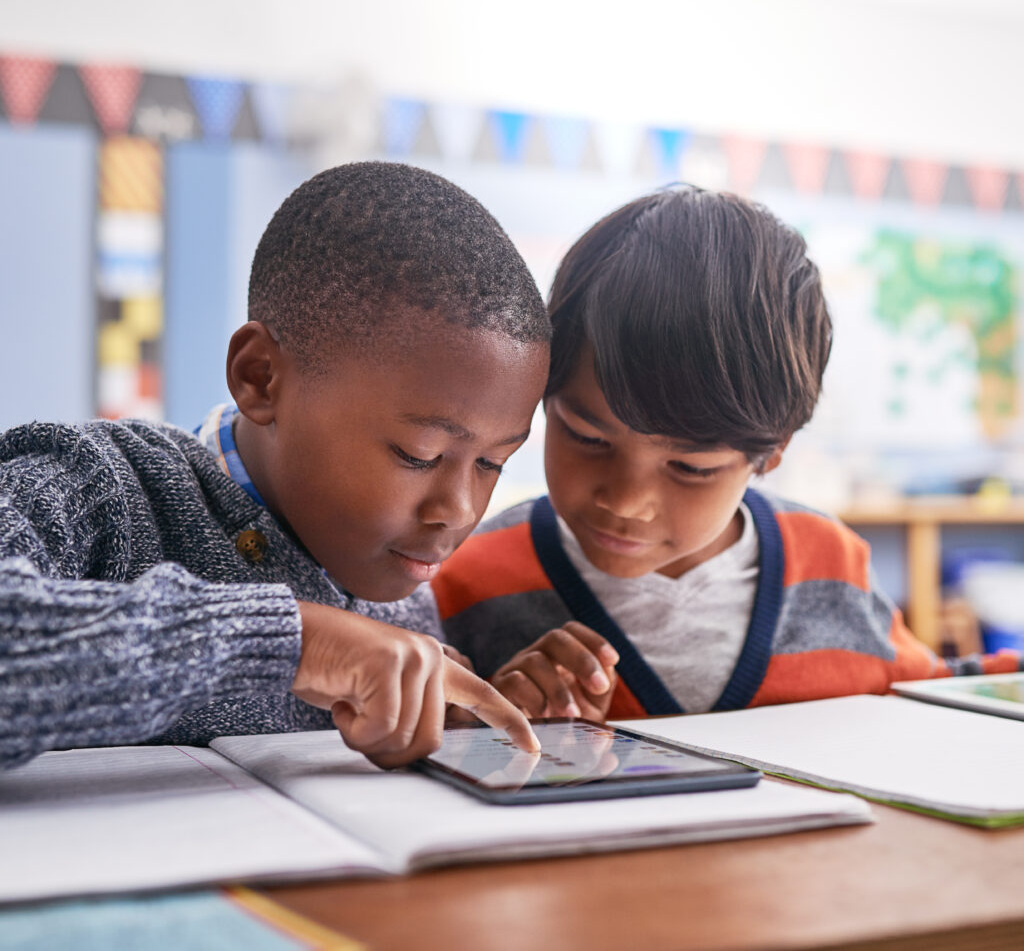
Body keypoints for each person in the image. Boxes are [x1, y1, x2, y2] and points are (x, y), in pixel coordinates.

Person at [0, 161, 550, 770]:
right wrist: (291, 642)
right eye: (416, 455)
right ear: (260, 378)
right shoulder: (94, 487)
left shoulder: (402, 582)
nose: (459, 510)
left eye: (494, 463)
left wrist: (459, 716)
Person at [430, 186, 1023, 722]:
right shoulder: (465, 579)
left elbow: (929, 697)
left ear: (772, 451)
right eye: (588, 437)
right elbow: (413, 741)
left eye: (691, 468)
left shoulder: (831, 565)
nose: (627, 501)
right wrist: (483, 725)